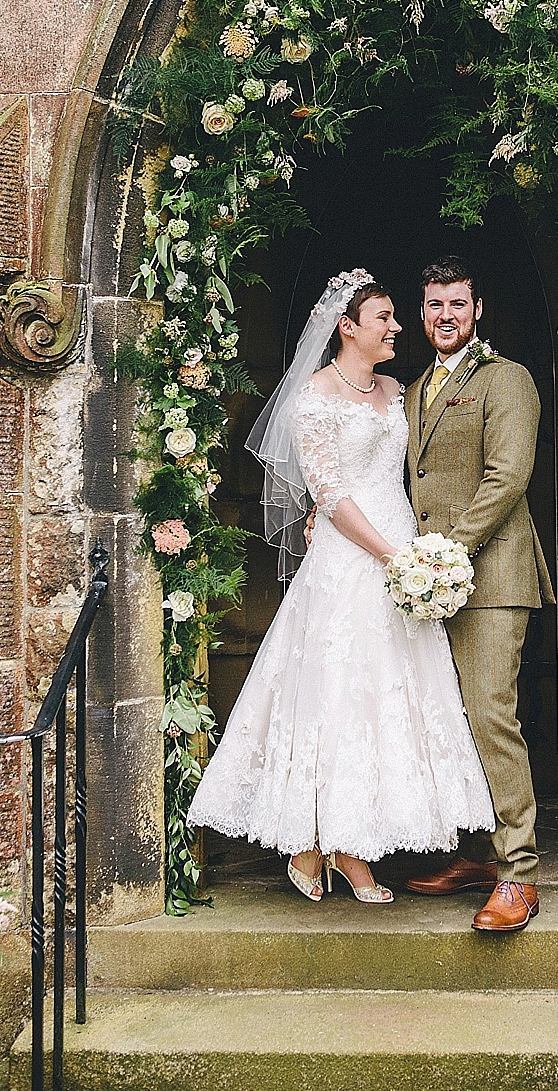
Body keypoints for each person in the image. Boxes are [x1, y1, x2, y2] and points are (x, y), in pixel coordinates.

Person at [187, 268, 494, 904]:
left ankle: (339, 843)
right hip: (353, 557)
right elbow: (328, 492)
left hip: (402, 547)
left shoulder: (395, 391)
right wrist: (392, 556)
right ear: (346, 327)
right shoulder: (312, 398)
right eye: (384, 318)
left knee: (388, 699)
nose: (397, 327)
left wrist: (413, 555)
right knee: (336, 698)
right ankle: (334, 851)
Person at [402, 255, 555, 932]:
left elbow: (508, 476)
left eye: (457, 305)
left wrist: (445, 553)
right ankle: (473, 853)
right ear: (421, 310)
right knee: (447, 718)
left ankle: (519, 874)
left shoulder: (506, 379)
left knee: (491, 715)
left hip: (491, 576)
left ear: (478, 310)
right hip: (431, 585)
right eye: (434, 305)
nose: (444, 317)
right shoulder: (411, 390)